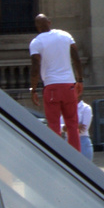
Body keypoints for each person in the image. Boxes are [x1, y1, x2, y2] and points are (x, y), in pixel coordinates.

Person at [28, 14, 84, 151]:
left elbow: (35, 67)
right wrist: (80, 80)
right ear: (49, 22)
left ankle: (57, 155)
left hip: (51, 86)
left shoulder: (36, 42)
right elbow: (76, 59)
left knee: (53, 124)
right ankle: (76, 156)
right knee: (72, 123)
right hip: (69, 85)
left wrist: (33, 89)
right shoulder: (65, 35)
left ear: (37, 26)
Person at [75, 87, 94, 159]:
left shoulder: (86, 108)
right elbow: (60, 126)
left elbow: (83, 129)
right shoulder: (65, 108)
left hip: (82, 141)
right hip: (68, 141)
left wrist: (67, 127)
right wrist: (75, 126)